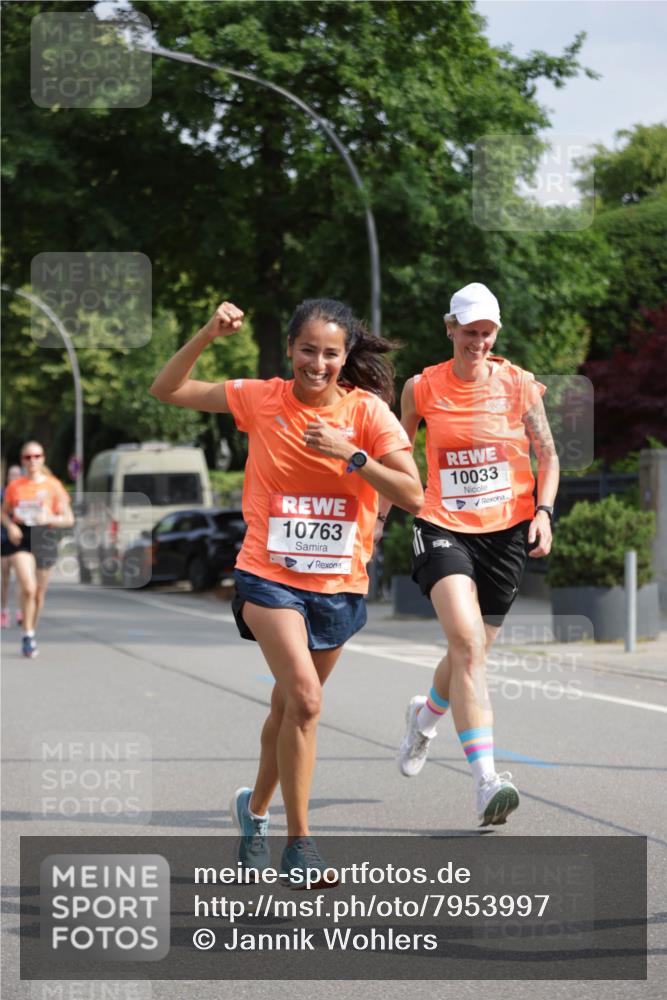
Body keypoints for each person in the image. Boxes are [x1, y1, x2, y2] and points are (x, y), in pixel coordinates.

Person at [150, 298, 423, 881]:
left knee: (287, 710)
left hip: (338, 584)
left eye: (330, 353)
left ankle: (253, 812)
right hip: (267, 575)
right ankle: (300, 844)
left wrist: (352, 457)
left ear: (344, 356)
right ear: (291, 350)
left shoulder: (368, 414)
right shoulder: (261, 398)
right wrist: (209, 331)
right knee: (305, 698)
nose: (317, 363)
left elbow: (412, 494)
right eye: (307, 350)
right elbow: (167, 389)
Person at [381, 282, 559, 826]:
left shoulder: (519, 385)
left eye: (487, 334)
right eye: (469, 333)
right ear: (450, 328)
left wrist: (544, 512)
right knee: (465, 643)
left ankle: (424, 717)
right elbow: (396, 459)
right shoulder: (421, 388)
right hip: (442, 525)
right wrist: (375, 524)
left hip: (506, 532)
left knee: (471, 653)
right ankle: (486, 780)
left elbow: (548, 456)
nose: (478, 342)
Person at [1, 442, 74, 658]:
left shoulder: (53, 485)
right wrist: (11, 525)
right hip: (22, 538)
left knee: (40, 594)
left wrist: (49, 517)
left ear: (43, 458)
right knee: (29, 587)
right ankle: (27, 635)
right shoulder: (15, 486)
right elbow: (3, 513)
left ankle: (31, 629)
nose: (32, 460)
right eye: (28, 457)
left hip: (45, 536)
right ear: (22, 460)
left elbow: (69, 519)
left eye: (36, 456)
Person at [1, 464, 24, 628]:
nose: (14, 478)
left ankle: (20, 610)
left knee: (21, 577)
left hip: (20, 540)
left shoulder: (24, 495)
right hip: (3, 538)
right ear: (7, 477)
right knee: (5, 577)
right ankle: (4, 610)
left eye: (17, 475)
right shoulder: (2, 494)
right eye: (12, 475)